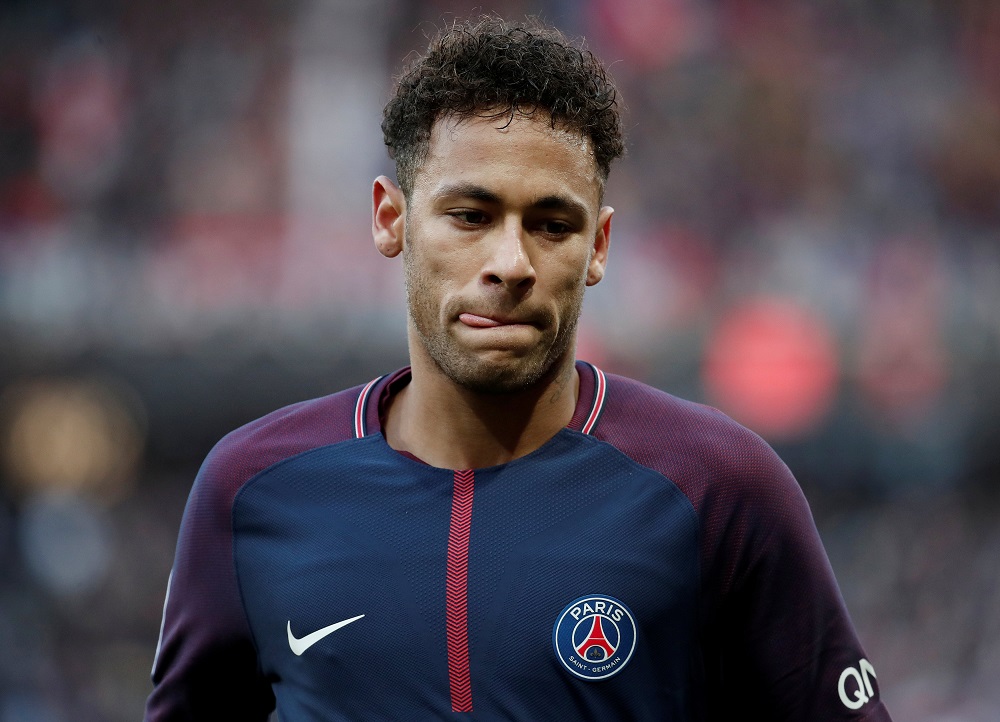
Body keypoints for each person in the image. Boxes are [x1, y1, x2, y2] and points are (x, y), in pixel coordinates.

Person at [146, 16, 891, 721]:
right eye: (470, 216)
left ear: (598, 246)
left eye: (552, 225)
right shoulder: (251, 490)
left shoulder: (718, 485)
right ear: (390, 219)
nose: (511, 262)